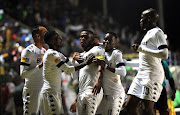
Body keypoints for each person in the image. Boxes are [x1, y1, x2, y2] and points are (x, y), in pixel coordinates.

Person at [125, 8, 168, 115]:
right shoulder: (147, 34)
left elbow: (164, 54)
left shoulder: (158, 32)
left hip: (152, 75)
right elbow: (146, 59)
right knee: (129, 105)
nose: (140, 20)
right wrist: (125, 63)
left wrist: (141, 49)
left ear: (149, 19)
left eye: (142, 17)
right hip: (141, 74)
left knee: (147, 109)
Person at [40, 31, 94, 115]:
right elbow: (68, 69)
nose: (61, 38)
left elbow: (70, 63)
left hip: (53, 92)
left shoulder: (58, 54)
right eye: (57, 37)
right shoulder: (51, 54)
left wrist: (76, 58)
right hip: (50, 92)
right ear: (52, 41)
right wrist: (86, 63)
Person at [70, 30, 105, 115]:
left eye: (85, 37)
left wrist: (99, 81)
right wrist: (73, 61)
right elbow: (74, 77)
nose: (82, 39)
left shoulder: (97, 50)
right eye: (81, 37)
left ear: (93, 40)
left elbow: (101, 64)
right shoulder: (81, 55)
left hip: (92, 91)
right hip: (82, 93)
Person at [95, 32, 126, 115]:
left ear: (114, 43)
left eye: (110, 40)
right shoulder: (100, 51)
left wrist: (105, 66)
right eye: (105, 39)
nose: (107, 41)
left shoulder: (116, 53)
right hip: (103, 96)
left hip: (116, 94)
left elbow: (123, 72)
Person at [20, 26, 47, 115]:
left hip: (44, 90)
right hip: (32, 90)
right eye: (45, 34)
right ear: (37, 36)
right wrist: (38, 67)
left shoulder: (44, 51)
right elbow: (23, 75)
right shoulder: (28, 51)